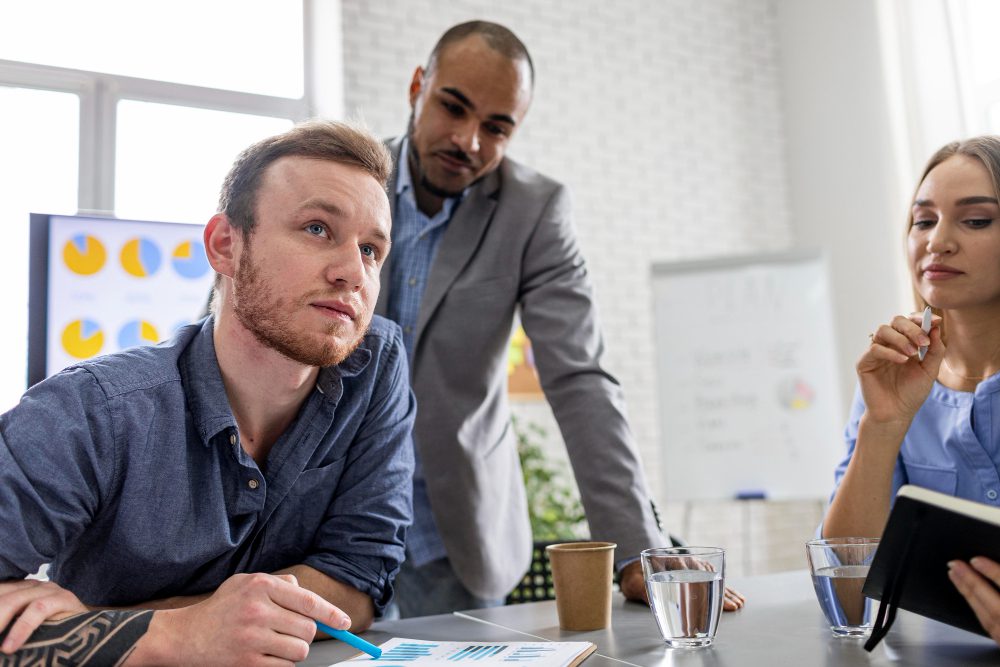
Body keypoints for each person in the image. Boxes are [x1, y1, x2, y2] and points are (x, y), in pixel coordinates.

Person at [0, 120, 415, 664]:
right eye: (317, 228)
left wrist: (126, 624)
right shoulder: (95, 411)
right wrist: (180, 634)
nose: (352, 272)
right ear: (225, 245)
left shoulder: (374, 364)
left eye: (370, 250)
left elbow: (358, 578)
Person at [377, 20, 744, 616]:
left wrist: (636, 549)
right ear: (419, 85)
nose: (468, 141)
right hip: (334, 526)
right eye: (453, 107)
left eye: (496, 127)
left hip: (452, 537)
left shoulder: (533, 211)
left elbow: (579, 379)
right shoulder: (346, 175)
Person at [821, 135, 1000, 643]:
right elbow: (847, 597)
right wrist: (883, 426)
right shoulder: (895, 379)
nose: (936, 242)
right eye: (923, 220)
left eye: (976, 220)